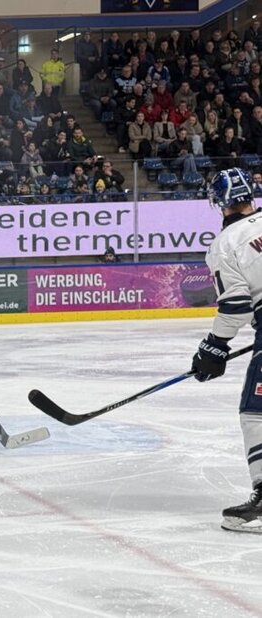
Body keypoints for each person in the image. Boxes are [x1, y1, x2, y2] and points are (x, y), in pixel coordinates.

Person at [190, 168, 262, 533]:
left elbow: (236, 305)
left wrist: (214, 347)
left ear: (217, 203)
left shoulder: (225, 243)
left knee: (256, 412)